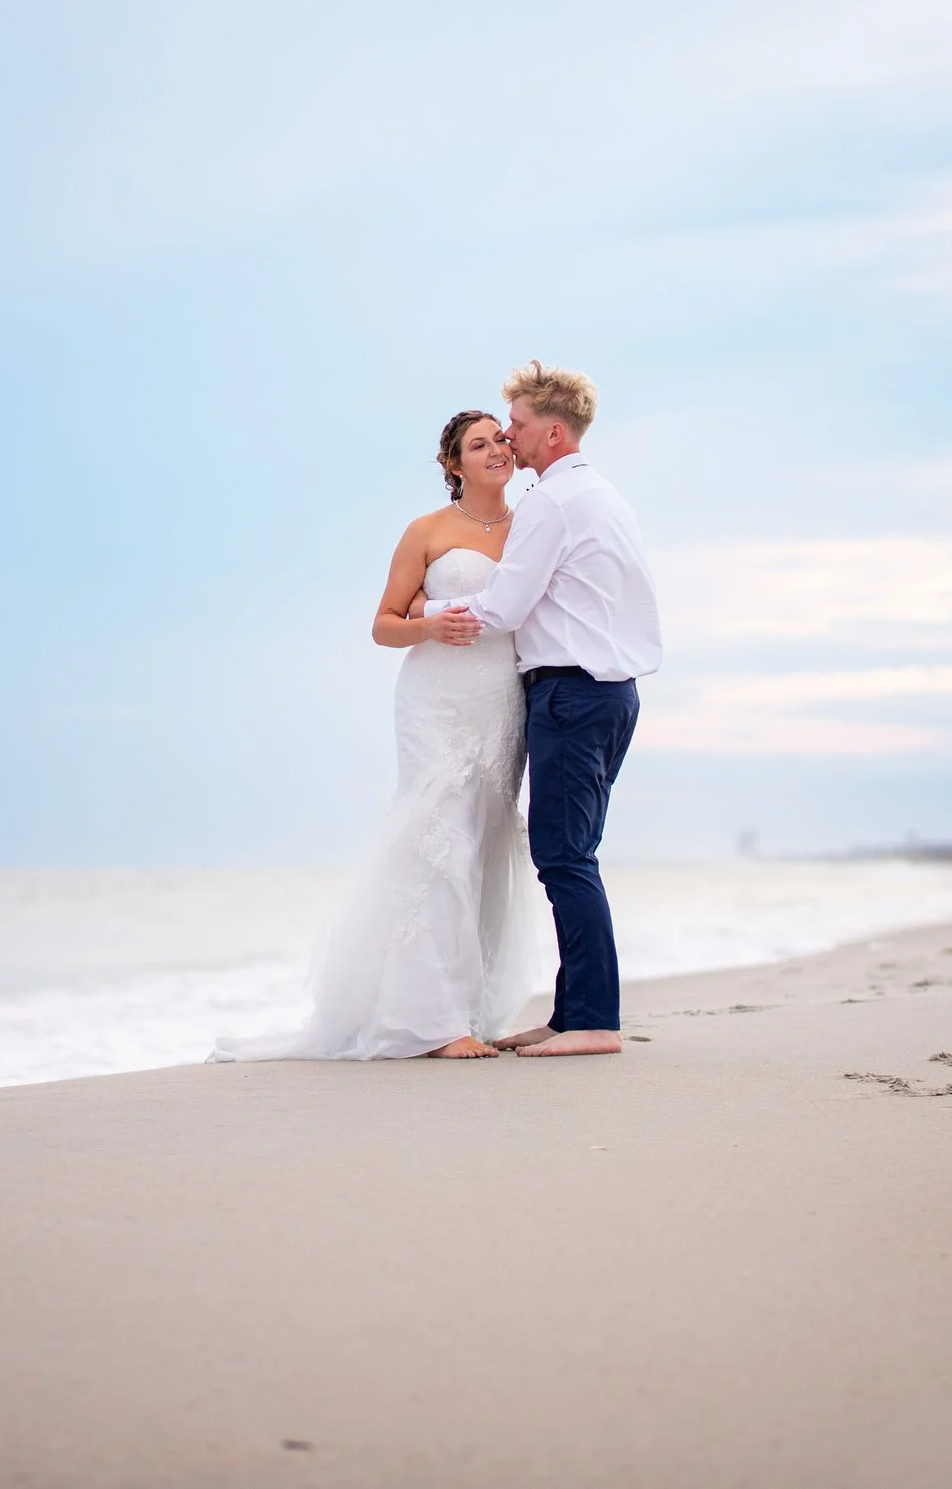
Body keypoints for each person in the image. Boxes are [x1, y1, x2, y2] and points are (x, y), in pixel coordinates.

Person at [211, 410, 550, 1063]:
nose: (495, 450)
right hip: (433, 700)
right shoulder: (425, 531)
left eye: (500, 440)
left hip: (501, 699)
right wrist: (427, 625)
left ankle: (463, 1008)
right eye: (477, 444)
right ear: (453, 464)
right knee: (438, 838)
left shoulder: (530, 527)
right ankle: (429, 1021)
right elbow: (384, 624)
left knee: (481, 843)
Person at [423, 362, 662, 1058]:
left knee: (563, 857)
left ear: (552, 432)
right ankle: (571, 1014)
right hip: (612, 692)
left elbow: (501, 607)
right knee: (572, 853)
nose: (509, 436)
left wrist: (425, 609)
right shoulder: (606, 496)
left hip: (571, 691)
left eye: (519, 426)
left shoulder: (552, 503)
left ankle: (592, 1021)